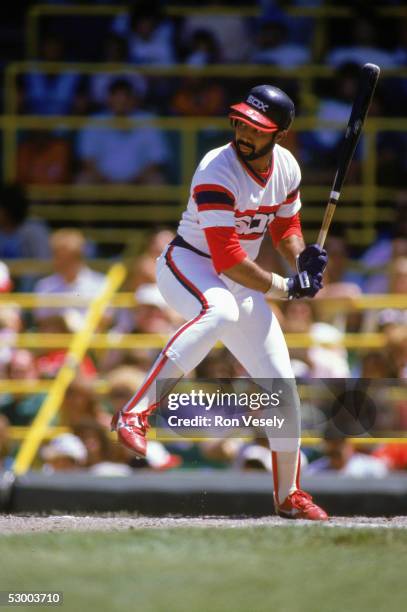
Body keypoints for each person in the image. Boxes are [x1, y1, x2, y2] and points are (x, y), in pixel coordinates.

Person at [112, 84, 329, 520]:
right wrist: (288, 287)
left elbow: (285, 228)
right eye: (241, 122)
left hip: (236, 278)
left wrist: (302, 260)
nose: (244, 132)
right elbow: (228, 259)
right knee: (222, 309)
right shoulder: (217, 167)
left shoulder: (286, 167)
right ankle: (134, 412)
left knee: (281, 385)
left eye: (257, 127)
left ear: (280, 134)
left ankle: (289, 495)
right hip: (189, 264)